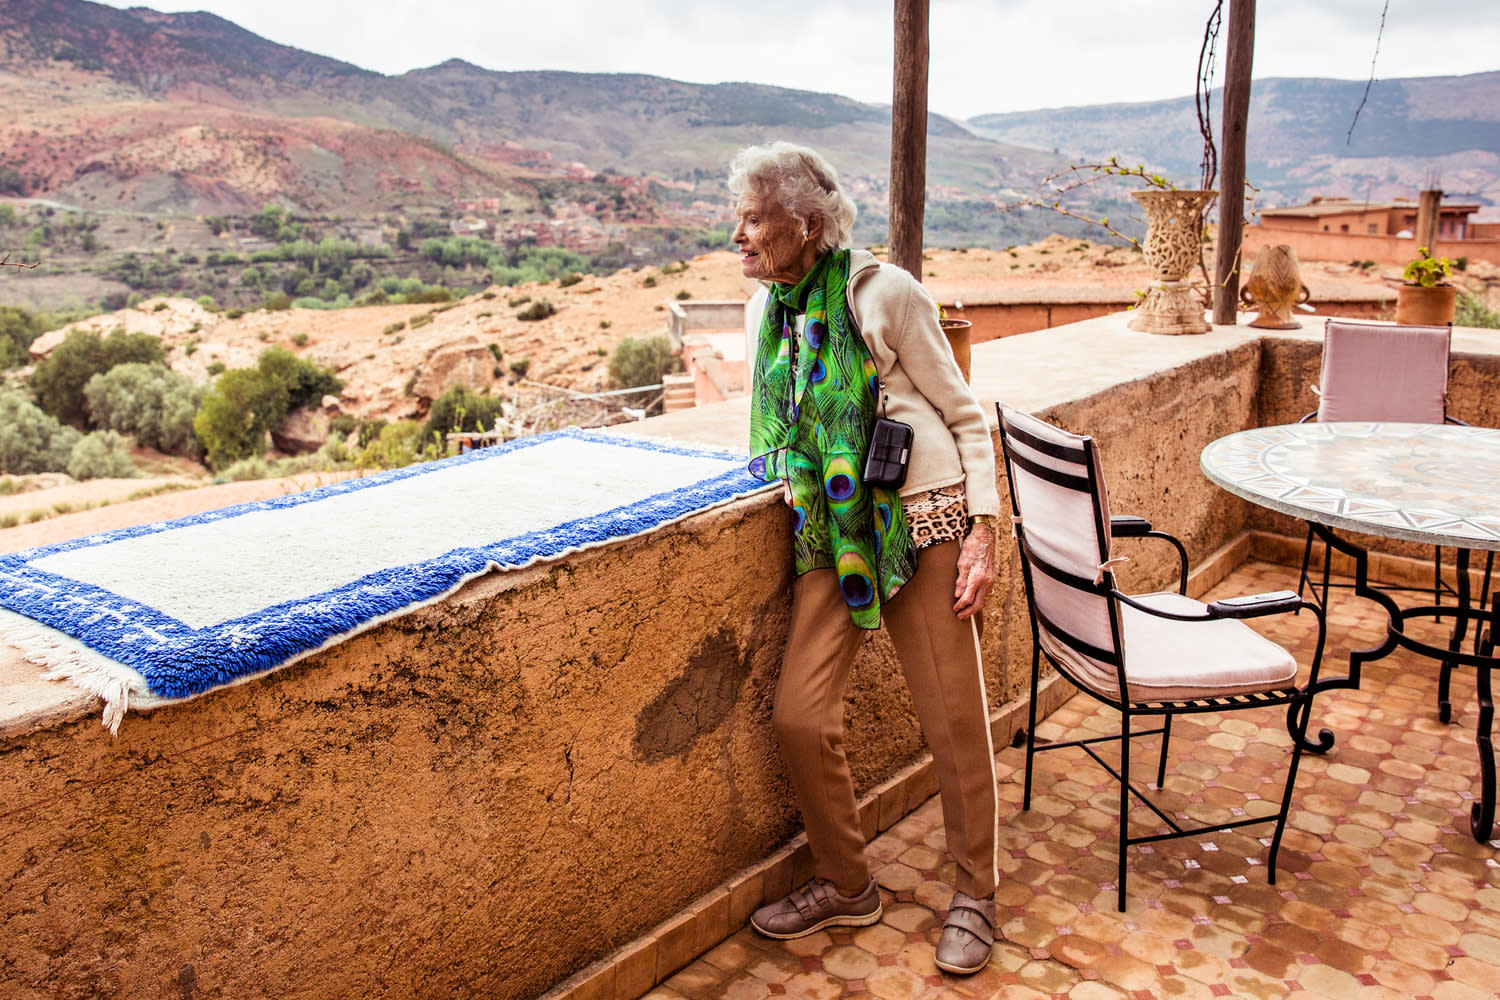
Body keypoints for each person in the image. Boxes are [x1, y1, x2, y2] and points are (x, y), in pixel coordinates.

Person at [731, 141, 1002, 976]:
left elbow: (964, 414)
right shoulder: (764, 313)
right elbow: (783, 423)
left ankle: (977, 894)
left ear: (806, 225)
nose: (738, 236)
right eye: (737, 219)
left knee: (952, 720)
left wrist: (985, 530)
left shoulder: (886, 294)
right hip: (831, 532)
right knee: (800, 715)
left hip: (919, 518)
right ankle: (848, 883)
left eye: (753, 220)